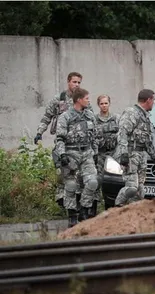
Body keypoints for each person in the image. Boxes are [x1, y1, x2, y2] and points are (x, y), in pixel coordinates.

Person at [34, 72, 87, 208]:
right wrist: (40, 132)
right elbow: (47, 117)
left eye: (79, 82)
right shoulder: (59, 99)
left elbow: (90, 118)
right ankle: (61, 199)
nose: (76, 85)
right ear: (68, 82)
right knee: (62, 170)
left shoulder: (82, 99)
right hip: (62, 142)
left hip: (78, 143)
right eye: (74, 82)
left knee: (79, 173)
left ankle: (77, 202)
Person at [55, 87, 98, 227]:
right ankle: (72, 214)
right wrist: (62, 154)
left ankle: (84, 209)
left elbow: (95, 137)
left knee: (92, 182)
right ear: (79, 100)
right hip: (70, 153)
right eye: (86, 98)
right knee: (71, 185)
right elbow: (59, 138)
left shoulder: (90, 116)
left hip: (86, 153)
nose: (89, 101)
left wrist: (95, 153)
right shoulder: (65, 117)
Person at [114, 89, 155, 207]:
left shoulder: (145, 117)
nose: (154, 103)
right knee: (131, 188)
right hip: (131, 154)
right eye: (153, 100)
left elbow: (147, 140)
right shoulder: (132, 113)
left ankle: (133, 212)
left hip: (141, 155)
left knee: (140, 189)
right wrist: (124, 153)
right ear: (148, 100)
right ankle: (117, 205)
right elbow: (122, 133)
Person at [92, 94, 120, 217]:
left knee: (113, 181)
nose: (104, 106)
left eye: (106, 103)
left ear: (109, 104)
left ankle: (113, 209)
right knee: (97, 181)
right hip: (100, 155)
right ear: (98, 105)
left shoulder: (116, 118)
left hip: (113, 155)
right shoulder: (94, 119)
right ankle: (94, 210)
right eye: (102, 103)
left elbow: (121, 135)